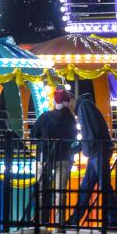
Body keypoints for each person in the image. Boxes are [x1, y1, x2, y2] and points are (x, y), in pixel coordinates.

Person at [66, 94, 117, 228]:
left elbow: (90, 130)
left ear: (71, 101)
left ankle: (112, 220)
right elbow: (93, 129)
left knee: (101, 186)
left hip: (97, 150)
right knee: (88, 186)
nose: (70, 109)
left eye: (69, 104)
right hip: (97, 150)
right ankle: (76, 219)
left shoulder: (83, 106)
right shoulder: (87, 105)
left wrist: (84, 148)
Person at [31, 90, 76, 225]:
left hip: (44, 157)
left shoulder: (45, 117)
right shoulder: (71, 120)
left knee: (40, 191)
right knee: (60, 192)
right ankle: (59, 223)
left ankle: (39, 221)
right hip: (64, 157)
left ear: (55, 102)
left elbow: (34, 134)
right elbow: (73, 138)